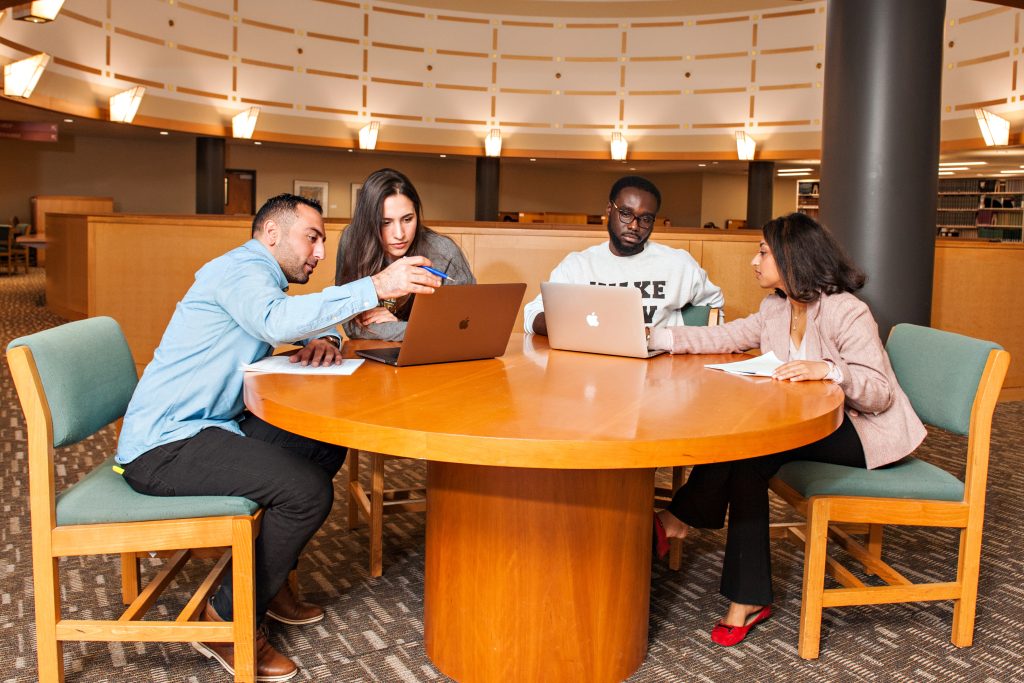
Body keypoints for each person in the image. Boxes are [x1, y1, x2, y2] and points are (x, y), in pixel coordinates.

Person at [114, 193, 441, 681]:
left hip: (209, 426)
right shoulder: (239, 270)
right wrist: (376, 286)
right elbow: (275, 320)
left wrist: (325, 338)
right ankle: (226, 621)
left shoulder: (258, 279)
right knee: (307, 492)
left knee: (321, 440)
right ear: (271, 234)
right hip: (164, 446)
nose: (320, 253)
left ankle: (270, 580)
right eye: (312, 238)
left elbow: (287, 317)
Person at [650, 212, 926, 647]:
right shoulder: (775, 307)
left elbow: (879, 394)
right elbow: (726, 337)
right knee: (747, 456)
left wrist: (829, 370)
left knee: (749, 450)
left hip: (862, 430)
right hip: (810, 424)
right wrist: (654, 338)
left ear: (793, 257)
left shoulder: (847, 311)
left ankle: (679, 519)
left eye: (763, 252)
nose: (754, 261)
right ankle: (745, 596)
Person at [523, 175, 724, 336]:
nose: (634, 226)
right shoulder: (577, 265)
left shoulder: (678, 264)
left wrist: (677, 339)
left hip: (657, 365)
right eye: (626, 214)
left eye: (646, 218)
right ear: (609, 210)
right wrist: (573, 326)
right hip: (589, 363)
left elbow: (714, 309)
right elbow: (532, 314)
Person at [336, 168, 475, 341]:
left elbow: (463, 326)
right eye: (385, 222)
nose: (399, 234)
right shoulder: (352, 241)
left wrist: (399, 325)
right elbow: (352, 324)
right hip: (374, 352)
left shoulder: (443, 251)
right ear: (368, 222)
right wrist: (417, 329)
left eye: (408, 219)